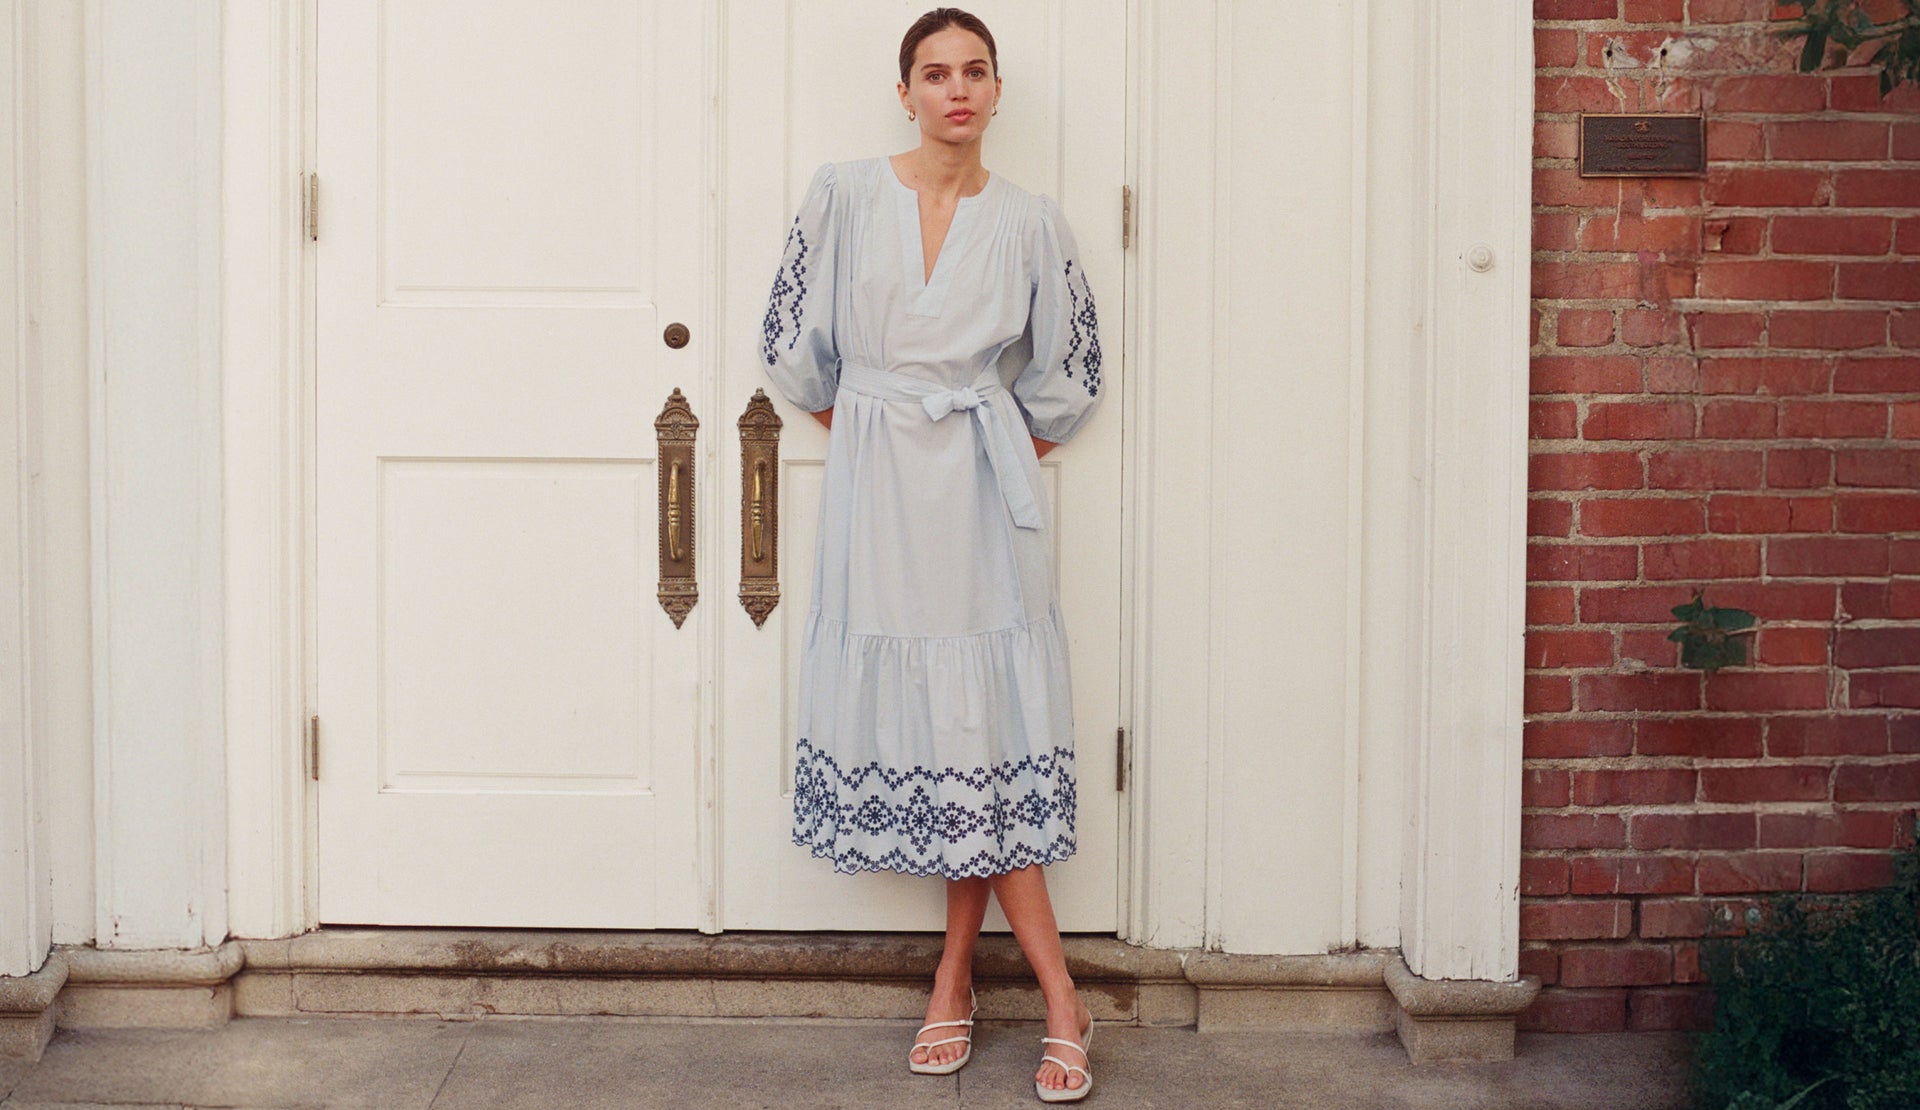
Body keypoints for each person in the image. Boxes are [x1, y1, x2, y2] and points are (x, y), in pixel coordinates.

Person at [758, 8, 1104, 1101]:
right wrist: (879, 428)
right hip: (877, 499)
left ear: (999, 91)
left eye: (976, 72)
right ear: (903, 90)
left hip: (979, 503)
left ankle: (998, 985)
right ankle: (993, 983)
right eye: (935, 72)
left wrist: (981, 434)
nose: (957, 89)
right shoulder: (844, 194)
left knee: (978, 731)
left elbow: (1073, 370)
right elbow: (790, 346)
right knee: (955, 741)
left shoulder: (1035, 222)